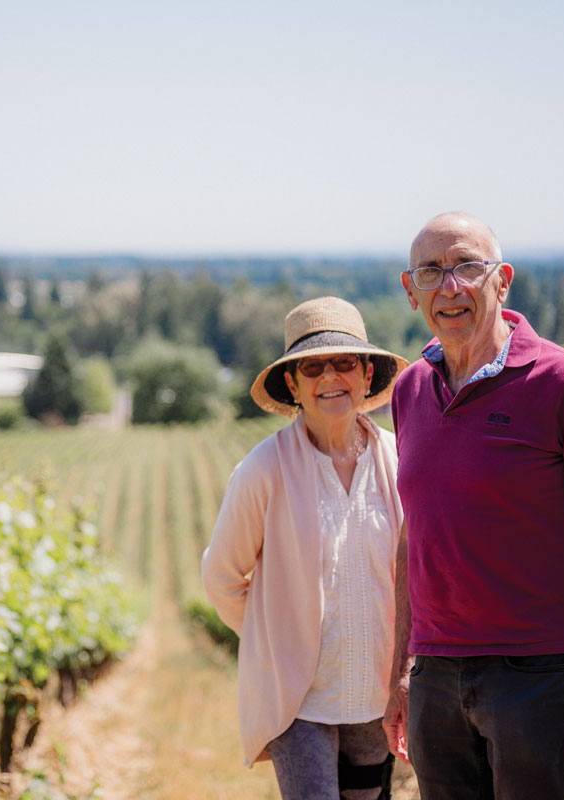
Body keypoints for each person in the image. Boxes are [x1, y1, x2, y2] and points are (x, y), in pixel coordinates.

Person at [382, 212, 564, 799]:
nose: (450, 287)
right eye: (432, 271)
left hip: (539, 676)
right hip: (437, 677)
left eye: (468, 267)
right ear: (409, 289)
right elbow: (411, 536)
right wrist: (403, 671)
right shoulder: (410, 390)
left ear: (503, 281)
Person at [202, 296, 411, 800]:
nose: (330, 377)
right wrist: (274, 640)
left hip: (376, 694)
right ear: (293, 385)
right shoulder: (261, 471)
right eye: (312, 367)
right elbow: (221, 578)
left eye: (344, 363)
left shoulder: (399, 458)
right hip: (299, 702)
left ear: (366, 375)